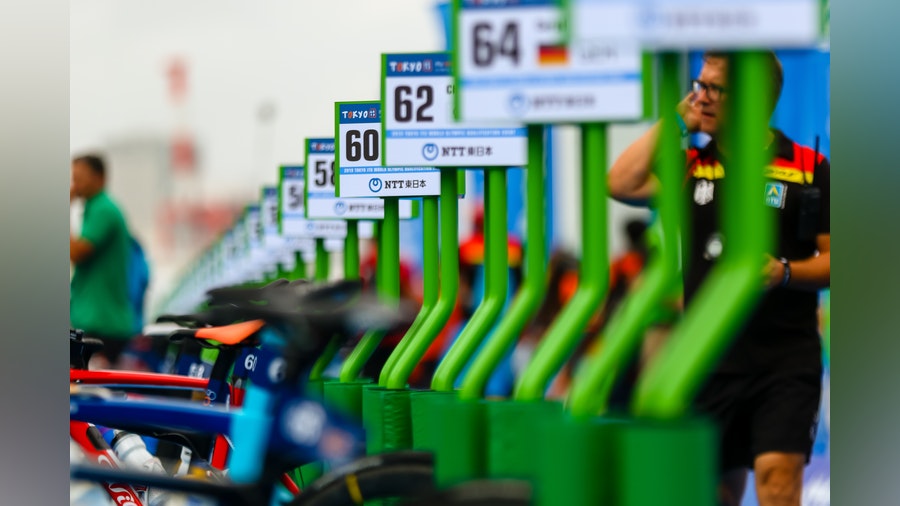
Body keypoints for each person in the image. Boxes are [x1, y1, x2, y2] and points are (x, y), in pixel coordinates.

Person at [608, 51, 830, 506]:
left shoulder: (807, 166)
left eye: (714, 89)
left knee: (777, 482)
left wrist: (785, 272)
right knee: (715, 495)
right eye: (699, 85)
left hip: (785, 361)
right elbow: (620, 183)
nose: (700, 98)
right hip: (707, 357)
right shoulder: (690, 165)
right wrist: (676, 122)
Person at [70, 153, 137, 369]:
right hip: (96, 319)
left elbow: (77, 252)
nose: (75, 184)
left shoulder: (103, 209)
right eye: (73, 178)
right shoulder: (95, 208)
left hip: (102, 323)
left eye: (80, 178)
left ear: (99, 178)